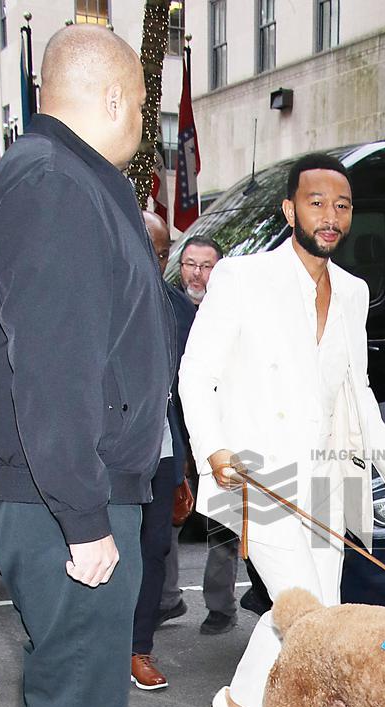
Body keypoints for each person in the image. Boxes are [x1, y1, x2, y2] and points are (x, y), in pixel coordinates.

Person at [0, 25, 174, 707]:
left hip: (73, 486)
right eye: (145, 106)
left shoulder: (59, 180)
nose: (148, 122)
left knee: (86, 688)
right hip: (62, 495)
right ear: (113, 101)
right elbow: (52, 367)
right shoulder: (54, 186)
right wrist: (84, 518)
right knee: (79, 692)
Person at [179, 152, 385, 707]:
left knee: (319, 610)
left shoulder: (352, 292)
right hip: (255, 469)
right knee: (305, 607)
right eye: (317, 202)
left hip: (326, 474)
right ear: (290, 209)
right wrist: (213, 448)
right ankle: (242, 704)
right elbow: (196, 372)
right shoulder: (241, 278)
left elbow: (356, 392)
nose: (330, 215)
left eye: (342, 206)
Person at [158, 235, 254, 637]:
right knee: (169, 518)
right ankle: (166, 600)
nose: (197, 273)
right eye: (190, 264)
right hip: (179, 430)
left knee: (223, 524)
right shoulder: (167, 308)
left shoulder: (236, 309)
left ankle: (221, 606)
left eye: (206, 265)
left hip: (223, 432)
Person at [130, 213, 197, 691]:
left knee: (154, 550)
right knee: (109, 551)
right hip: (112, 452)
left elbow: (192, 387)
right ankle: (98, 646)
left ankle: (139, 648)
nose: (156, 258)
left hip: (165, 448)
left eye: (161, 249)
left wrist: (190, 459)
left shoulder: (180, 308)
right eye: (147, 246)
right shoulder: (103, 298)